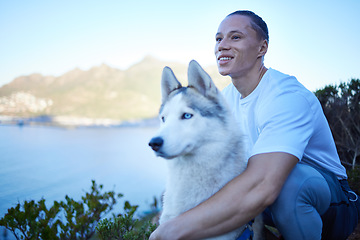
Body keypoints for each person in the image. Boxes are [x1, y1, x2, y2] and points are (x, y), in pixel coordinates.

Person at [149, 10, 359, 240]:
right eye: (219, 39)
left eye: (235, 37)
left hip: (329, 203)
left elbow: (264, 184)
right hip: (265, 199)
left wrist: (174, 229)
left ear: (262, 48)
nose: (222, 45)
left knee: (290, 185)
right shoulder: (223, 100)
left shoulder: (286, 96)